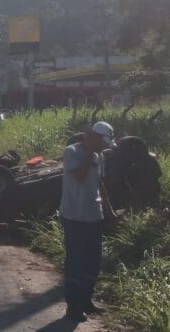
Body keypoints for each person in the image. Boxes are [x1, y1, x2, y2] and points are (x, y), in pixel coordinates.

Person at [60, 121, 116, 322]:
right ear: (92, 137)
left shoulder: (98, 156)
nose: (104, 147)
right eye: (101, 142)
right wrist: (89, 152)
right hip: (74, 217)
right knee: (75, 262)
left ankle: (86, 300)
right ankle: (73, 307)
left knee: (93, 262)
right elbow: (81, 177)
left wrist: (109, 211)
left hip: (94, 216)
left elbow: (99, 183)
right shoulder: (72, 152)